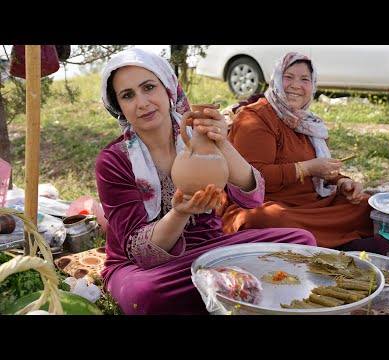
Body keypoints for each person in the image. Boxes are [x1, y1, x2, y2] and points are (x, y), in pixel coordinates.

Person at [95, 47, 317, 315]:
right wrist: (179, 213)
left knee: (301, 242)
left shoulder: (201, 133)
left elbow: (253, 197)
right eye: (128, 95)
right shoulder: (113, 161)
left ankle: (220, 292)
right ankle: (232, 293)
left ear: (167, 89)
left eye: (149, 87)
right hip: (150, 270)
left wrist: (222, 142)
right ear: (119, 106)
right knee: (144, 294)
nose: (142, 103)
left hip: (214, 252)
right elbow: (142, 254)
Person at [221, 51, 381, 253]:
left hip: (309, 206)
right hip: (267, 205)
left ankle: (314, 242)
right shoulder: (256, 117)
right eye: (288, 77)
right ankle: (334, 241)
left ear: (313, 86)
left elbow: (322, 168)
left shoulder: (310, 124)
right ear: (276, 80)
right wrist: (307, 169)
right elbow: (253, 178)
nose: (296, 85)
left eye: (305, 79)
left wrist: (342, 183)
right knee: (263, 220)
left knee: (367, 205)